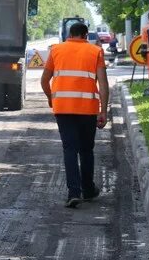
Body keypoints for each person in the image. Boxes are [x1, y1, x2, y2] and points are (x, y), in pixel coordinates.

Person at [40, 22, 109, 208]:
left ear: (69, 34)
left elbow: (44, 80)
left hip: (63, 108)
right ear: (86, 35)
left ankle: (73, 192)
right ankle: (88, 189)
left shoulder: (56, 50)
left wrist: (50, 97)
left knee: (69, 149)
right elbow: (103, 83)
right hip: (87, 109)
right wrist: (104, 111)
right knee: (86, 150)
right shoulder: (95, 51)